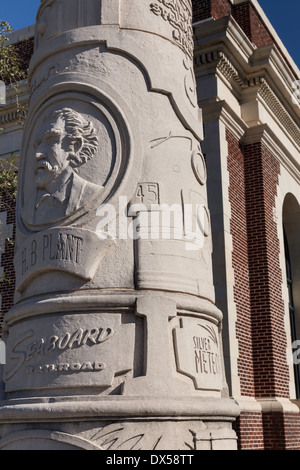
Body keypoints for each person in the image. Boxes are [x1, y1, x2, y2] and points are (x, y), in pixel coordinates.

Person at [31, 107, 102, 226]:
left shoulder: (91, 194)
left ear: (75, 146)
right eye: (38, 144)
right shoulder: (29, 206)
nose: (38, 154)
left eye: (52, 141)